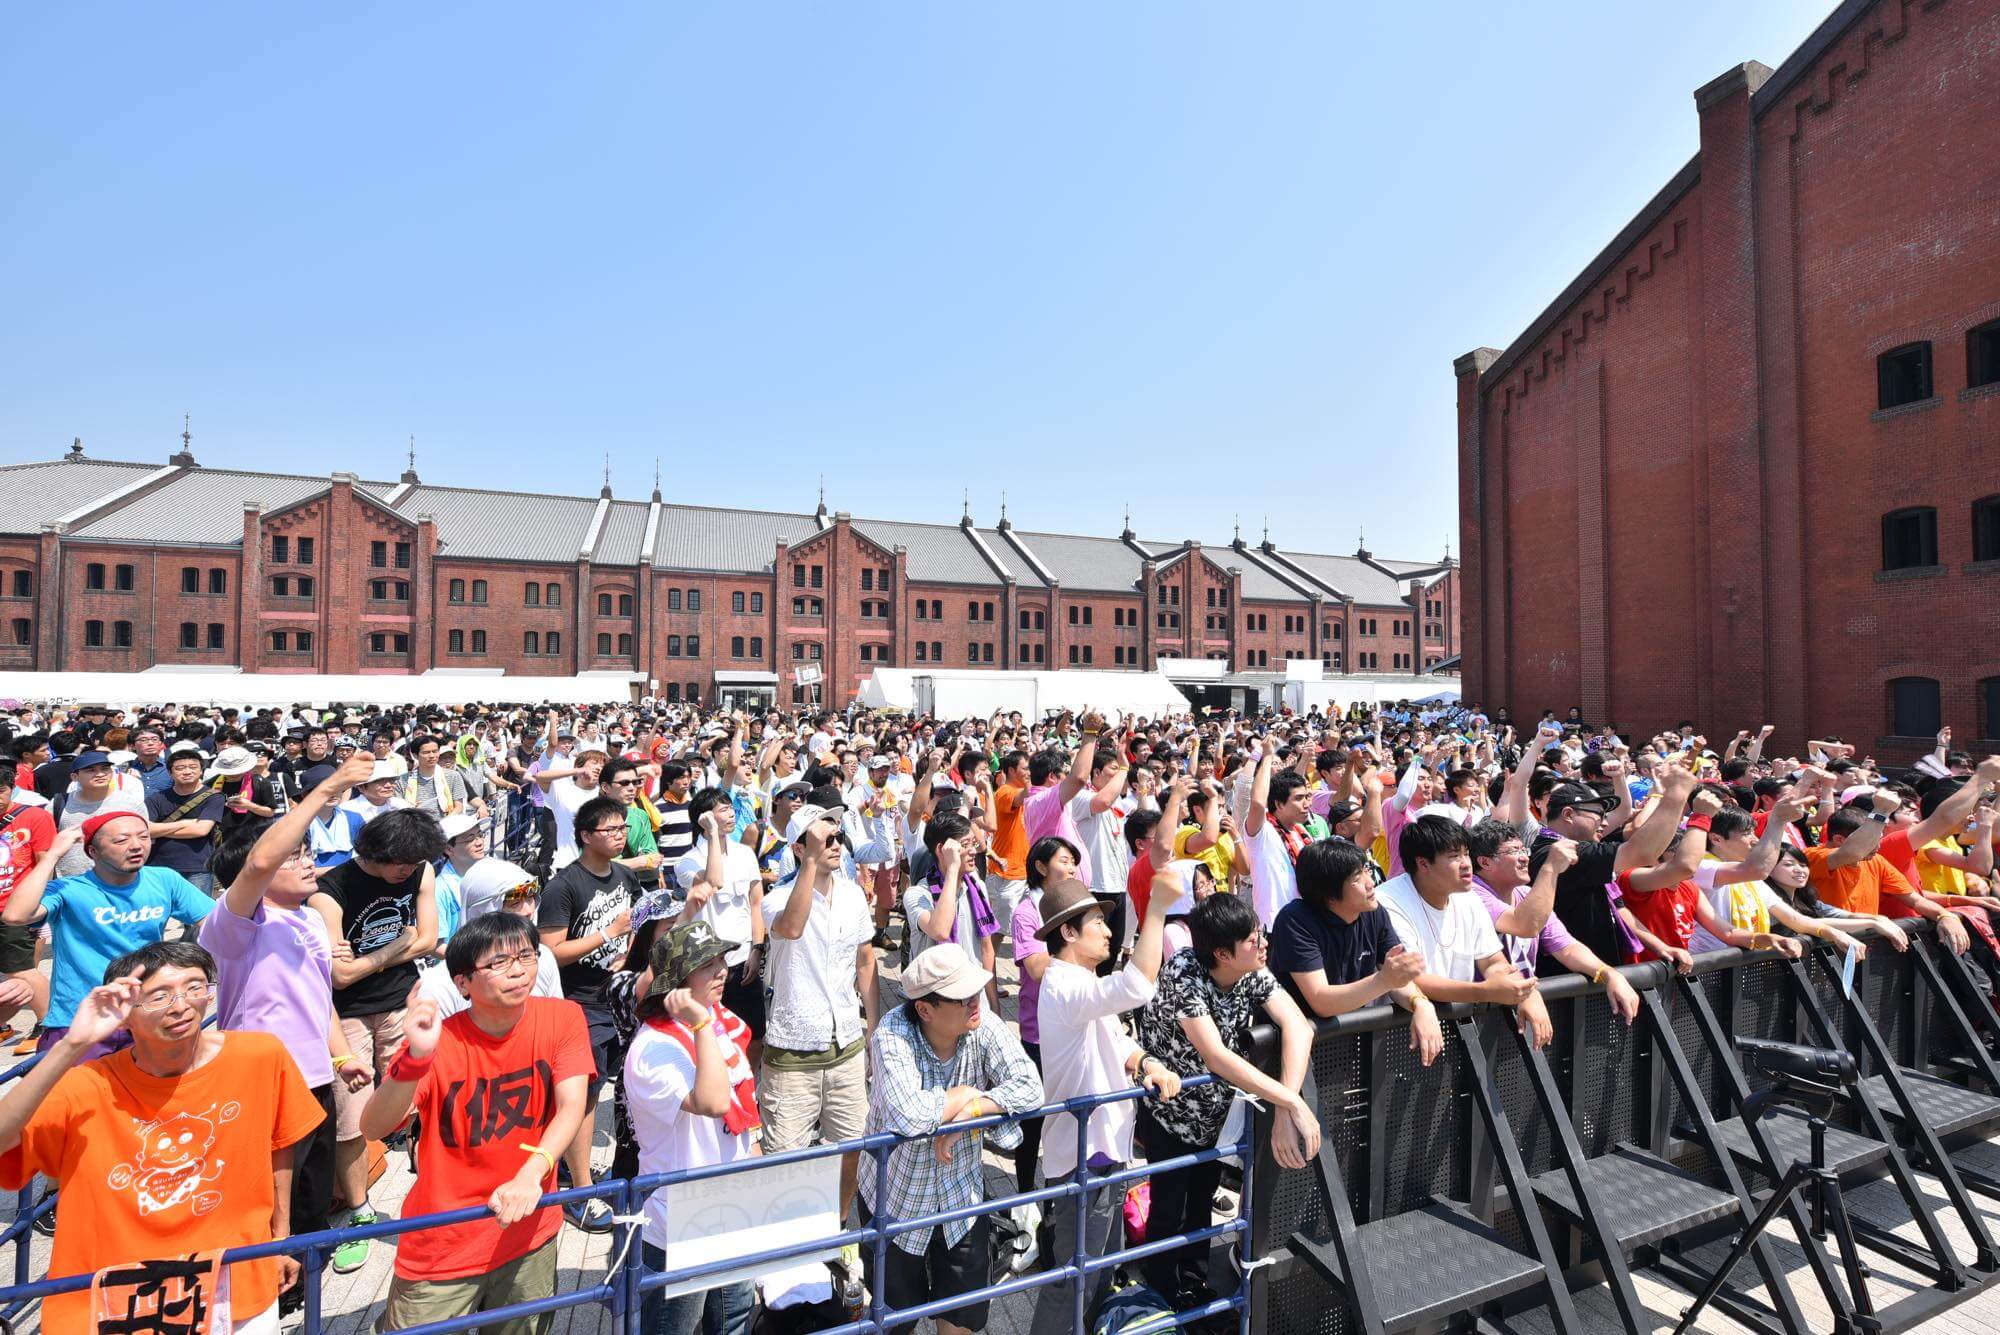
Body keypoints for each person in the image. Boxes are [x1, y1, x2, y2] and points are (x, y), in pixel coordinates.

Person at [0, 942, 322, 1335]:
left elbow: (280, 1145)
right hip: (114, 1296)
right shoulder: (86, 1086)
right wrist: (72, 1045)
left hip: (234, 1280)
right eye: (159, 995)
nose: (181, 1005)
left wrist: (280, 1241)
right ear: (124, 1016)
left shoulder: (260, 1056)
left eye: (195, 986)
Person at [202, 749, 377, 1304]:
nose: (306, 863)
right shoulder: (236, 923)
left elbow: (318, 1000)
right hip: (258, 1081)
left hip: (315, 1077)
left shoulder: (305, 919)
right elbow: (256, 864)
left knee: (307, 1192)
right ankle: (261, 1293)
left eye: (306, 855)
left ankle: (300, 1291)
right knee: (263, 1196)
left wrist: (342, 1056)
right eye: (292, 857)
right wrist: (326, 792)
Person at [363, 914, 593, 1335]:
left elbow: (571, 1107)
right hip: (443, 1240)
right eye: (499, 962)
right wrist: (416, 1057)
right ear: (463, 982)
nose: (519, 970)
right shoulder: (437, 1040)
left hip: (531, 1229)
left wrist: (531, 1174)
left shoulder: (564, 1018)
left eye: (527, 955)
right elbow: (375, 1125)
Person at [1133, 893, 1319, 1310]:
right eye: (1253, 939)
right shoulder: (1184, 971)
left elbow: (1298, 1026)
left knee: (1202, 1199)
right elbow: (1216, 1055)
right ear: (1221, 953)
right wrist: (1294, 1102)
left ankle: (1195, 1284)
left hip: (1214, 1112)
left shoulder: (1249, 967)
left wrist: (1287, 1109)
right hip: (1170, 1111)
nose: (1263, 943)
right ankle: (1161, 1289)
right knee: (1170, 1206)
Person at [861, 944, 1043, 1335]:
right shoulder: (891, 1035)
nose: (975, 1001)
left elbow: (1031, 1086)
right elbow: (909, 1116)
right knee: (894, 1322)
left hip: (962, 1199)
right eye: (962, 997)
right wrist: (964, 1094)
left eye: (976, 990)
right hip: (896, 1204)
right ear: (925, 1010)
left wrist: (970, 1114)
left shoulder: (982, 1021)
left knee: (962, 1320)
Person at [1030, 875, 1181, 1334]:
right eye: (1098, 921)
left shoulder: (1082, 984)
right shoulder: (1062, 984)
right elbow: (1137, 986)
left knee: (1097, 1267)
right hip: (1086, 1154)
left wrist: (1147, 1062)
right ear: (1068, 933)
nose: (1109, 931)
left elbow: (1119, 1044)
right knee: (1077, 1273)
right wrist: (1155, 908)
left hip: (1104, 1149)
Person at [311, 808, 443, 1271]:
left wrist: (374, 959)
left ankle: (430, 1194)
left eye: (413, 864)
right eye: (399, 865)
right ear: (373, 853)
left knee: (423, 1103)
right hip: (346, 1016)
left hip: (404, 1001)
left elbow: (429, 938)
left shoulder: (421, 868)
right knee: (351, 1122)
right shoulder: (329, 892)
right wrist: (393, 948)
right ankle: (360, 1211)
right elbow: (340, 977)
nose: (406, 872)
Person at [627, 921, 767, 1335]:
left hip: (733, 1207)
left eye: (722, 959)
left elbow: (743, 1108)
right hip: (679, 1224)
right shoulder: (652, 1049)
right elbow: (714, 1101)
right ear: (676, 982)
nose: (722, 970)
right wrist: (702, 1024)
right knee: (674, 1329)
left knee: (734, 1320)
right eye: (706, 964)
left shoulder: (720, 1024)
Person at [5, 811, 216, 1057]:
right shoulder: (69, 889)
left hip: (147, 1012)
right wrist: (51, 856)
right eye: (121, 840)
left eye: (144, 837)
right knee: (73, 1093)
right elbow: (15, 916)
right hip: (82, 1017)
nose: (137, 846)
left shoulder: (164, 879)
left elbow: (217, 923)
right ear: (93, 852)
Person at [760, 801, 878, 1222]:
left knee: (854, 1147)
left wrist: (873, 1025)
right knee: (784, 1158)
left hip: (846, 1044)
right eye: (824, 839)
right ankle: (785, 1244)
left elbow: (866, 961)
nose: (835, 844)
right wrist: (810, 859)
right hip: (793, 1053)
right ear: (798, 848)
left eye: (838, 837)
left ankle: (838, 1222)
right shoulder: (775, 898)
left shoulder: (852, 896)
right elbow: (791, 928)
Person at [539, 793, 640, 1232]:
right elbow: (551, 953)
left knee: (611, 1089)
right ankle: (579, 1191)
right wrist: (606, 935)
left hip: (618, 998)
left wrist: (628, 956)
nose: (621, 835)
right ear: (585, 836)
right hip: (578, 1004)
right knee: (583, 1095)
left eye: (623, 828)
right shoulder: (564, 885)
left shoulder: (622, 875)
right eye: (612, 829)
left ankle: (583, 1173)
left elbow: (637, 921)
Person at [1376, 816, 1554, 1048]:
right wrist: (1485, 992)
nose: (1466, 863)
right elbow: (1410, 978)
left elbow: (1492, 961)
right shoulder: (1387, 901)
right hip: (1394, 1037)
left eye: (1466, 854)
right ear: (1423, 864)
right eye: (1453, 856)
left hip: (1453, 1030)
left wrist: (1522, 991)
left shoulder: (1469, 896)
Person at [1269, 839, 1441, 1061]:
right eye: (1356, 878)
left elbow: (1396, 976)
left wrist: (1420, 1004)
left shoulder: (1374, 912)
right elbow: (1321, 1001)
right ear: (1329, 894)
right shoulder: (1295, 921)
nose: (1370, 883)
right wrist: (1383, 981)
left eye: (1366, 871)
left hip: (1350, 1045)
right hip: (1295, 1049)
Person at [1464, 820, 1641, 1023]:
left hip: (1520, 1011)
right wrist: (1550, 868)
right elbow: (1525, 926)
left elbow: (1566, 947)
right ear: (1485, 862)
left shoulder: (1526, 893)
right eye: (1514, 851)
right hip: (1477, 1018)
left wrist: (1608, 974)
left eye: (1524, 850)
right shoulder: (1471, 895)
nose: (1524, 858)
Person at [1613, 790, 1805, 972]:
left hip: (1675, 977)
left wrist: (1771, 940)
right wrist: (1700, 816)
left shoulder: (1689, 888)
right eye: (1682, 854)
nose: (1697, 860)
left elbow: (1729, 933)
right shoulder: (1633, 878)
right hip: (1641, 979)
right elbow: (1684, 866)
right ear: (1657, 856)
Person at [672, 789, 766, 1036]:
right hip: (707, 966)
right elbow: (714, 881)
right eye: (723, 809)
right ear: (704, 819)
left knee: (754, 1033)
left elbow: (756, 903)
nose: (731, 813)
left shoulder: (745, 853)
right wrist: (713, 835)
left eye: (730, 807)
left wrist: (757, 949)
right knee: (712, 1033)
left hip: (744, 958)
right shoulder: (687, 861)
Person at [0, 766, 55, 1047]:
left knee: (20, 969)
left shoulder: (34, 816)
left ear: (12, 789)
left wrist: (42, 905)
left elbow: (46, 862)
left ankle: (49, 1024)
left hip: (15, 909)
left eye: (1, 790)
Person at [50, 750, 147, 876]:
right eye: (90, 770)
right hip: (69, 882)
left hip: (120, 880)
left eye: (105, 769)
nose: (100, 774)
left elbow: (143, 840)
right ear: (74, 777)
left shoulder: (132, 804)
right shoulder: (59, 803)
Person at [145, 747, 226, 892]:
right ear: (170, 773)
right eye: (180, 768)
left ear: (201, 770)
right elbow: (146, 830)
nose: (187, 771)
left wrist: (160, 830)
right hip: (159, 866)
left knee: (198, 912)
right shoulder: (156, 799)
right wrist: (185, 824)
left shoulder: (214, 797)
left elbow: (201, 830)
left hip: (197, 867)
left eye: (193, 767)